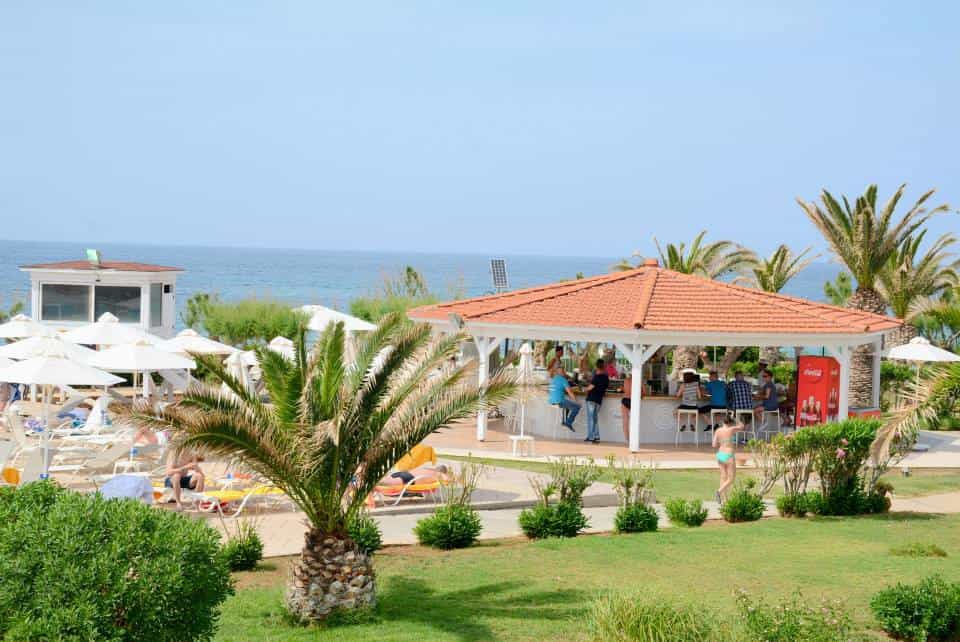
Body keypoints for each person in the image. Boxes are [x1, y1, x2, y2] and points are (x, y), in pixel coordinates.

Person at [712, 415, 746, 503]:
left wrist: (722, 442)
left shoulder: (718, 430)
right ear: (730, 422)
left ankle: (725, 499)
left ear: (722, 422)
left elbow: (714, 445)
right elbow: (742, 426)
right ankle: (718, 492)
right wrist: (735, 418)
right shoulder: (731, 429)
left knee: (723, 477)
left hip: (720, 454)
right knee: (731, 478)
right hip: (728, 454)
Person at [583, 358, 610, 443]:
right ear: (604, 367)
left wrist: (584, 389)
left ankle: (591, 437)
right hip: (599, 400)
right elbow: (605, 387)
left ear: (596, 367)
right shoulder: (606, 378)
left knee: (591, 418)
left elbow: (590, 387)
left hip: (591, 399)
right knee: (594, 418)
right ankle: (596, 436)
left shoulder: (596, 377)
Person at [548, 366, 580, 431]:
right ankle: (568, 423)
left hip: (551, 401)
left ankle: (564, 421)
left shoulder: (553, 379)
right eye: (563, 371)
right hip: (559, 401)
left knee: (567, 405)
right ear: (561, 372)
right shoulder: (563, 380)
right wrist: (577, 401)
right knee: (577, 407)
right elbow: (570, 392)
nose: (564, 373)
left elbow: (558, 388)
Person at [378, 464, 450, 487]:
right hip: (409, 478)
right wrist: (447, 475)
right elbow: (447, 480)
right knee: (382, 482)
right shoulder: (438, 474)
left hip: (403, 473)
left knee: (383, 480)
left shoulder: (427, 469)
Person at [620, 373, 632, 443]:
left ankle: (627, 439)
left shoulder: (625, 380)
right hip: (633, 400)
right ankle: (633, 438)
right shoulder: (638, 380)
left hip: (625, 399)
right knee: (634, 420)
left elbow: (623, 389)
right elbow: (644, 391)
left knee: (625, 421)